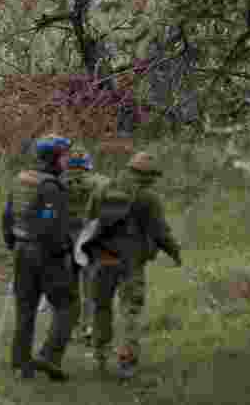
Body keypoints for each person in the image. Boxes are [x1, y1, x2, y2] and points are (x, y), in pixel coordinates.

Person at [84, 151, 182, 379]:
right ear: (146, 176)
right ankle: (127, 361)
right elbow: (160, 232)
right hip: (131, 261)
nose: (154, 181)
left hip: (104, 259)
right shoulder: (148, 197)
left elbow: (90, 222)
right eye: (152, 177)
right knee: (131, 310)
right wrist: (175, 252)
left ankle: (100, 355)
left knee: (101, 307)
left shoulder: (102, 190)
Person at [2, 135, 76, 381]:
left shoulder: (21, 179)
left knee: (25, 307)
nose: (68, 159)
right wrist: (63, 251)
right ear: (54, 157)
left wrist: (13, 242)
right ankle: (49, 357)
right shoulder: (51, 187)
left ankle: (21, 364)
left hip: (22, 249)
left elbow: (8, 215)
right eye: (65, 155)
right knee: (68, 306)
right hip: (45, 252)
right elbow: (51, 224)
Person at [36, 147, 108, 372]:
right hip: (89, 238)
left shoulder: (59, 182)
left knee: (69, 286)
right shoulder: (100, 182)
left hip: (65, 239)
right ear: (87, 163)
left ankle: (69, 326)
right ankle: (87, 328)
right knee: (91, 285)